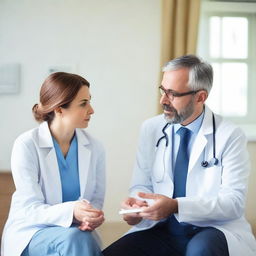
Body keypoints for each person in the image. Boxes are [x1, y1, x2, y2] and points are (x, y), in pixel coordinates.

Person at [102, 55, 256, 256]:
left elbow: (233, 203)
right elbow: (142, 185)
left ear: (200, 97)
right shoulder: (151, 129)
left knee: (200, 251)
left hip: (211, 229)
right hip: (161, 228)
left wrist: (175, 206)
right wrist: (137, 207)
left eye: (172, 94)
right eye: (163, 90)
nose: (162, 100)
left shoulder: (229, 135)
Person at [1, 72, 105, 256]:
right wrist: (72, 210)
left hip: (77, 232)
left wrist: (91, 217)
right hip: (33, 231)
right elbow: (30, 209)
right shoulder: (26, 145)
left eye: (89, 101)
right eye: (83, 103)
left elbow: (96, 200)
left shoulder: (95, 147)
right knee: (77, 240)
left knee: (79, 239)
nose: (92, 110)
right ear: (59, 109)